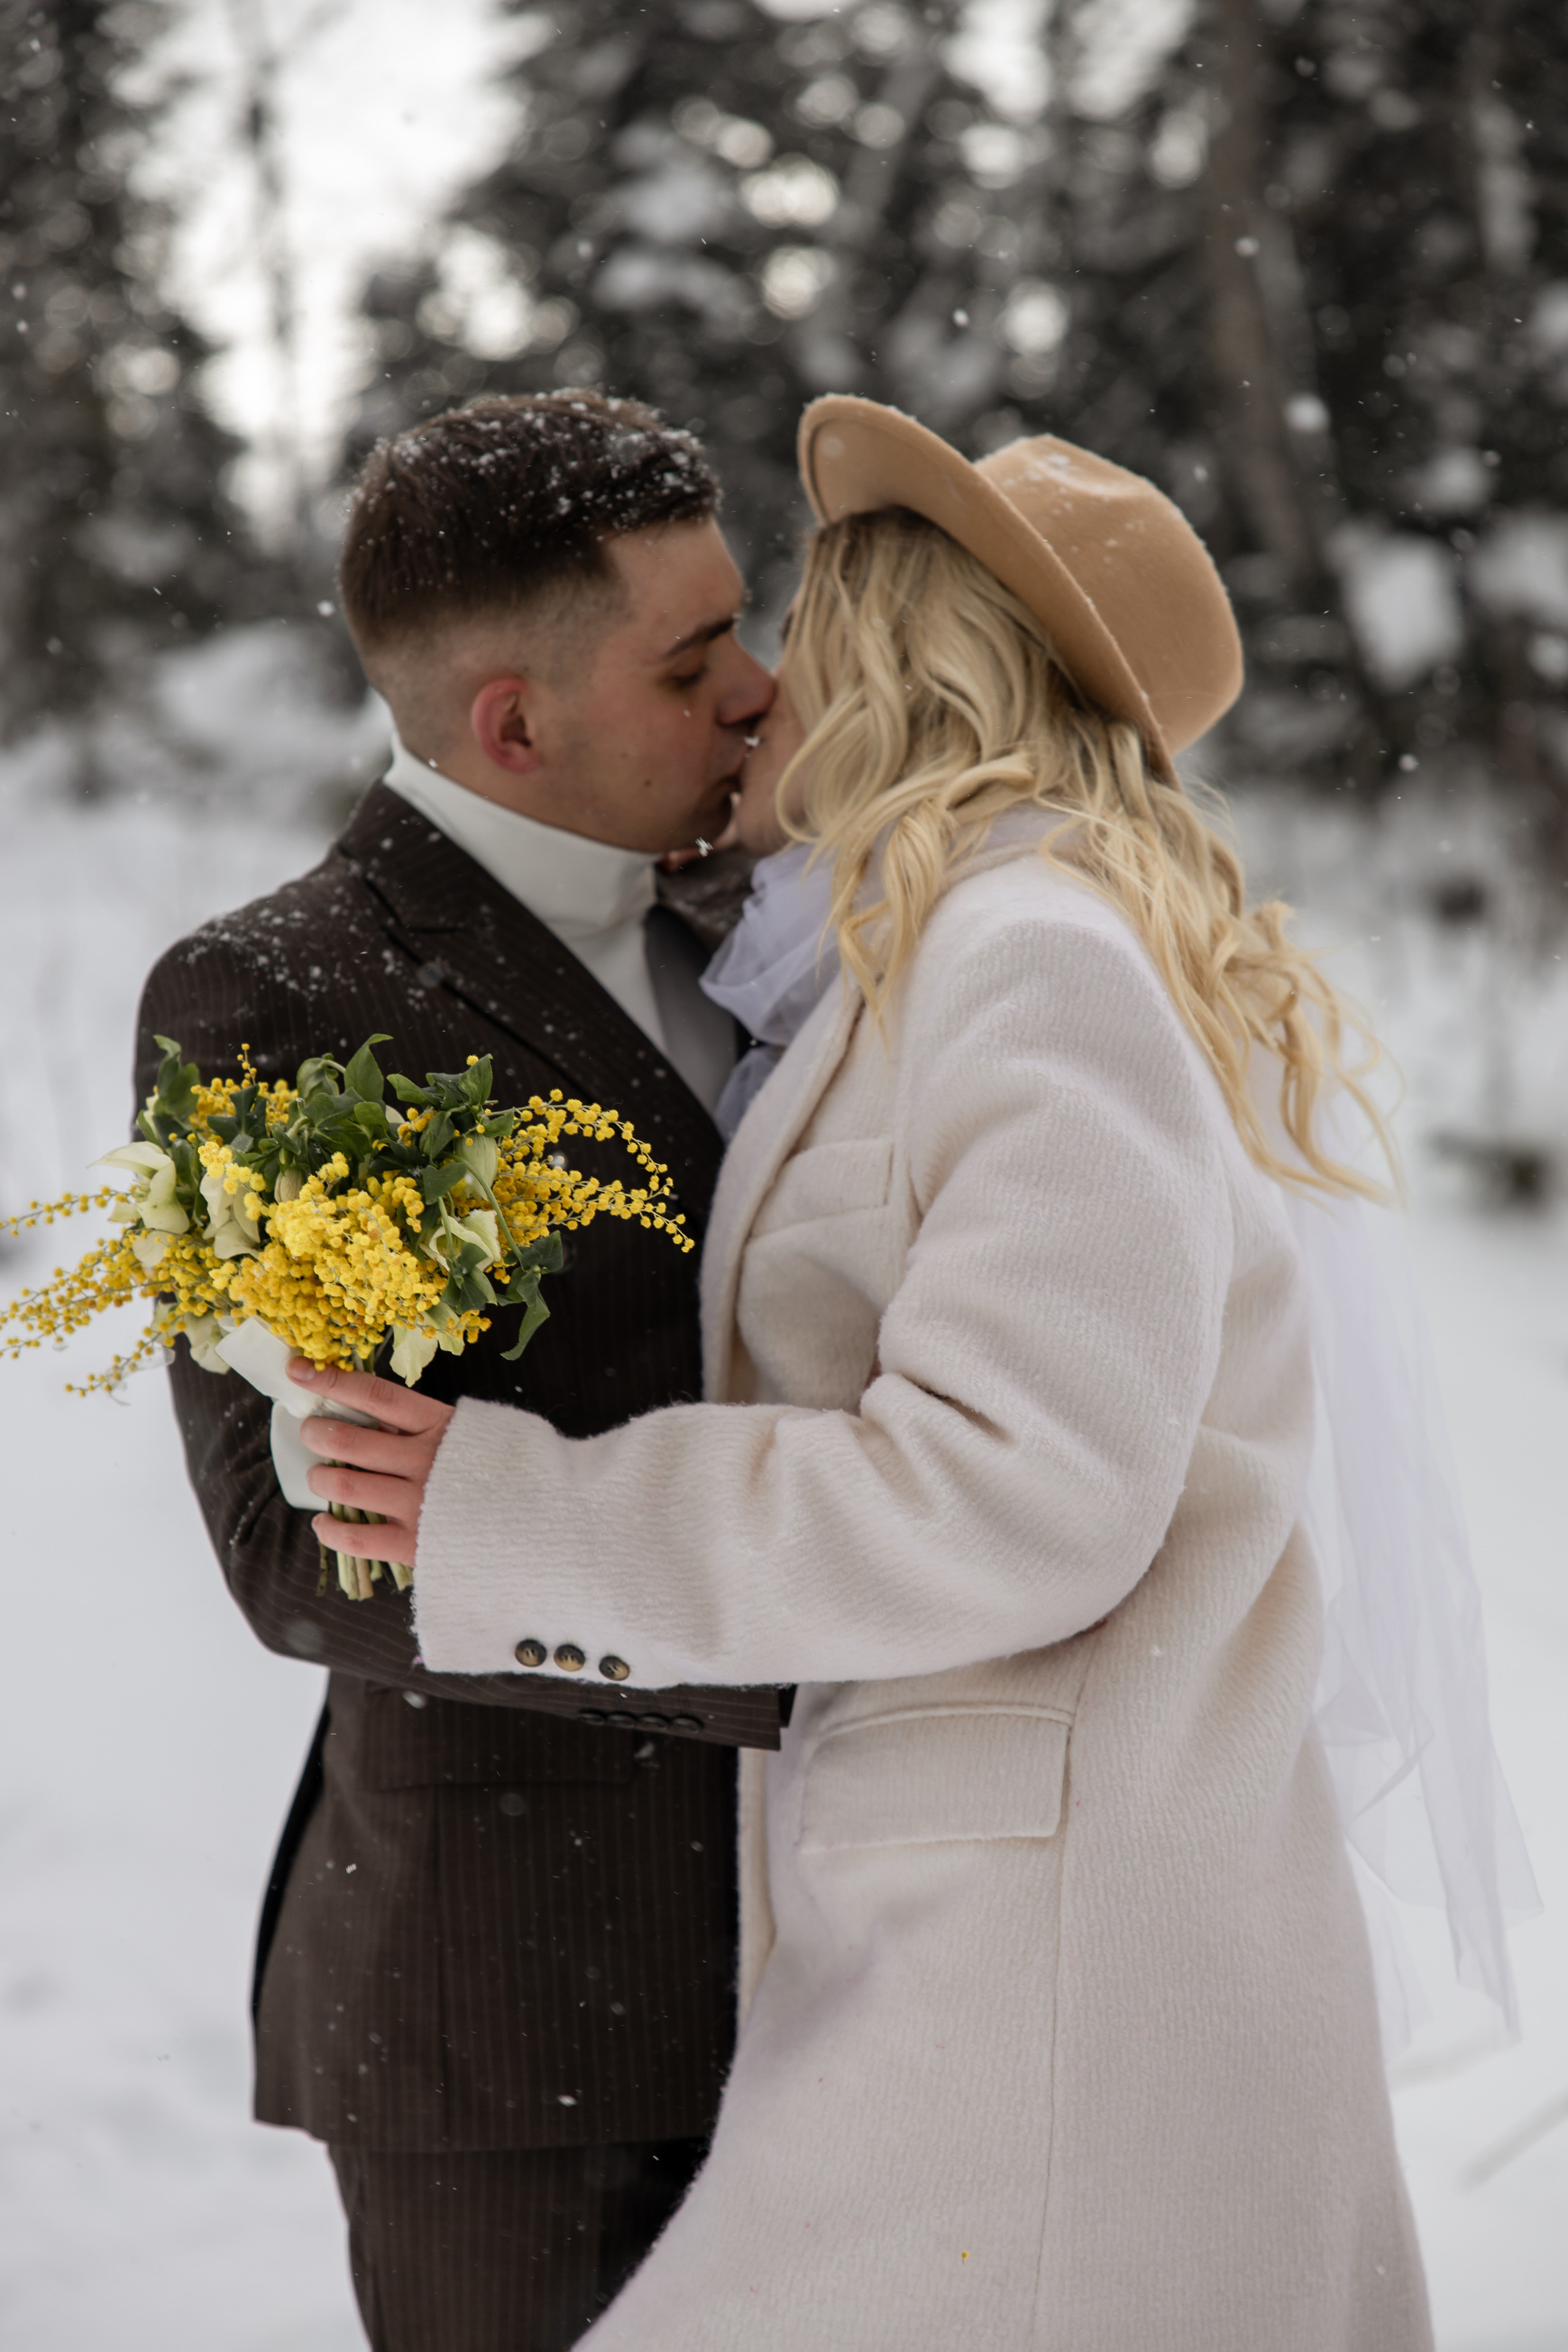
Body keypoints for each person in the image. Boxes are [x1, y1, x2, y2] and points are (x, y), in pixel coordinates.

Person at [284, 398, 1474, 2350]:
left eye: (801, 627)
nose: (755, 692)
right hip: (981, 1926)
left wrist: (529, 1513)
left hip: (1043, 1957)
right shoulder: (948, 950)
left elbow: (1021, 1487)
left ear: (906, 656)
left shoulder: (1031, 952)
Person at [134, 390, 785, 2352]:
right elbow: (298, 1541)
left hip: (862, 1965)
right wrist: (823, 1652)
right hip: (521, 2025)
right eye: (695, 661)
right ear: (516, 724)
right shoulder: (272, 1000)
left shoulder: (786, 919)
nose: (762, 691)